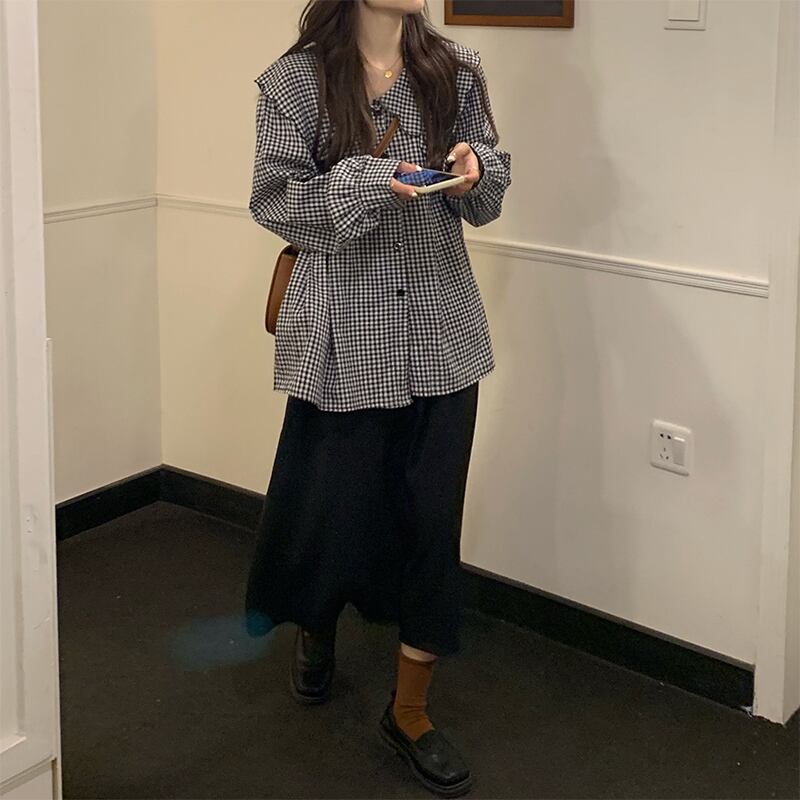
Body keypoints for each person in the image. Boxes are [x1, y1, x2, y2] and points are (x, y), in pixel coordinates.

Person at [244, 0, 511, 795]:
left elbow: (488, 195)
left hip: (441, 332)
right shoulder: (296, 82)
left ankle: (412, 711)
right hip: (343, 336)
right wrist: (368, 180)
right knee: (334, 513)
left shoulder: (456, 71)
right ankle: (317, 627)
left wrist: (475, 169)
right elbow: (274, 200)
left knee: (431, 523)